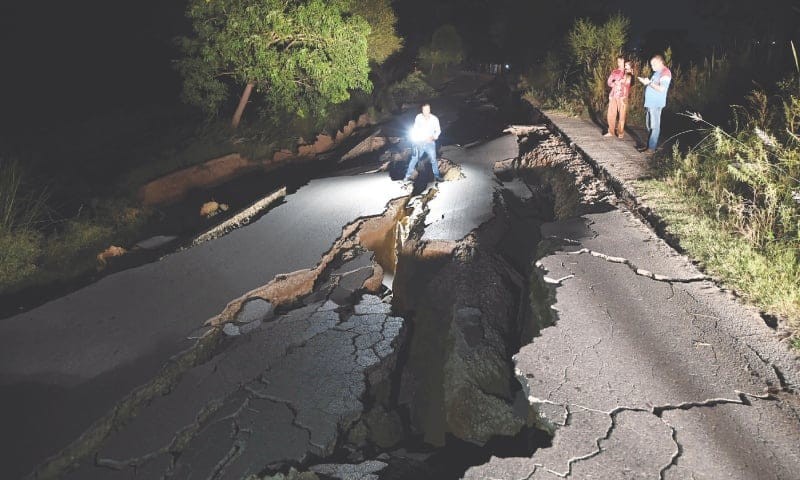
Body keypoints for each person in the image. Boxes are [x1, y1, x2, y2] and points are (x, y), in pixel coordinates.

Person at [637, 54, 672, 155]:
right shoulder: (657, 72)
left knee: (654, 126)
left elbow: (661, 89)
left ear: (660, 62)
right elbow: (653, 86)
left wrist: (649, 83)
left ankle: (651, 148)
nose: (652, 67)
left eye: (653, 64)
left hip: (656, 104)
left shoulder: (665, 72)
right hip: (650, 103)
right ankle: (650, 145)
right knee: (649, 125)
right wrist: (645, 82)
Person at [405, 103, 443, 183]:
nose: (427, 111)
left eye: (428, 109)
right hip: (420, 142)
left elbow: (438, 130)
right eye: (425, 109)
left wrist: (433, 137)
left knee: (433, 159)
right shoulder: (418, 117)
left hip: (430, 143)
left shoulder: (434, 119)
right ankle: (407, 176)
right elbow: (415, 128)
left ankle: (437, 176)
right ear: (422, 110)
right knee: (414, 158)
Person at [604, 56, 633, 139]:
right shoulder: (615, 71)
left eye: (621, 62)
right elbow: (609, 82)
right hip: (613, 95)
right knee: (611, 114)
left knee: (622, 116)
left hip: (623, 97)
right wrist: (614, 83)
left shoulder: (628, 72)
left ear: (625, 63)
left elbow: (630, 83)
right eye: (618, 61)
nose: (619, 63)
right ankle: (611, 131)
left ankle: (620, 132)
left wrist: (622, 81)